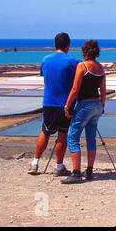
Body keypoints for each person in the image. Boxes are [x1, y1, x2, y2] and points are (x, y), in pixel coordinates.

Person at [28, 33, 79, 176]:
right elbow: (76, 84)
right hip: (66, 104)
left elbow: (46, 82)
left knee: (45, 132)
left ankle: (34, 163)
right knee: (62, 134)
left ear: (55, 44)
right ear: (68, 45)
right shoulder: (73, 62)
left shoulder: (45, 60)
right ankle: (59, 166)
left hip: (48, 102)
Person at [61, 40, 106, 184]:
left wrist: (67, 106)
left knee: (72, 137)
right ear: (96, 52)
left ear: (84, 51)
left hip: (84, 105)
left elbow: (75, 89)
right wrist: (102, 106)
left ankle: (76, 173)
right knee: (91, 138)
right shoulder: (101, 68)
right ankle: (90, 171)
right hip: (97, 105)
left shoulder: (82, 66)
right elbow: (103, 91)